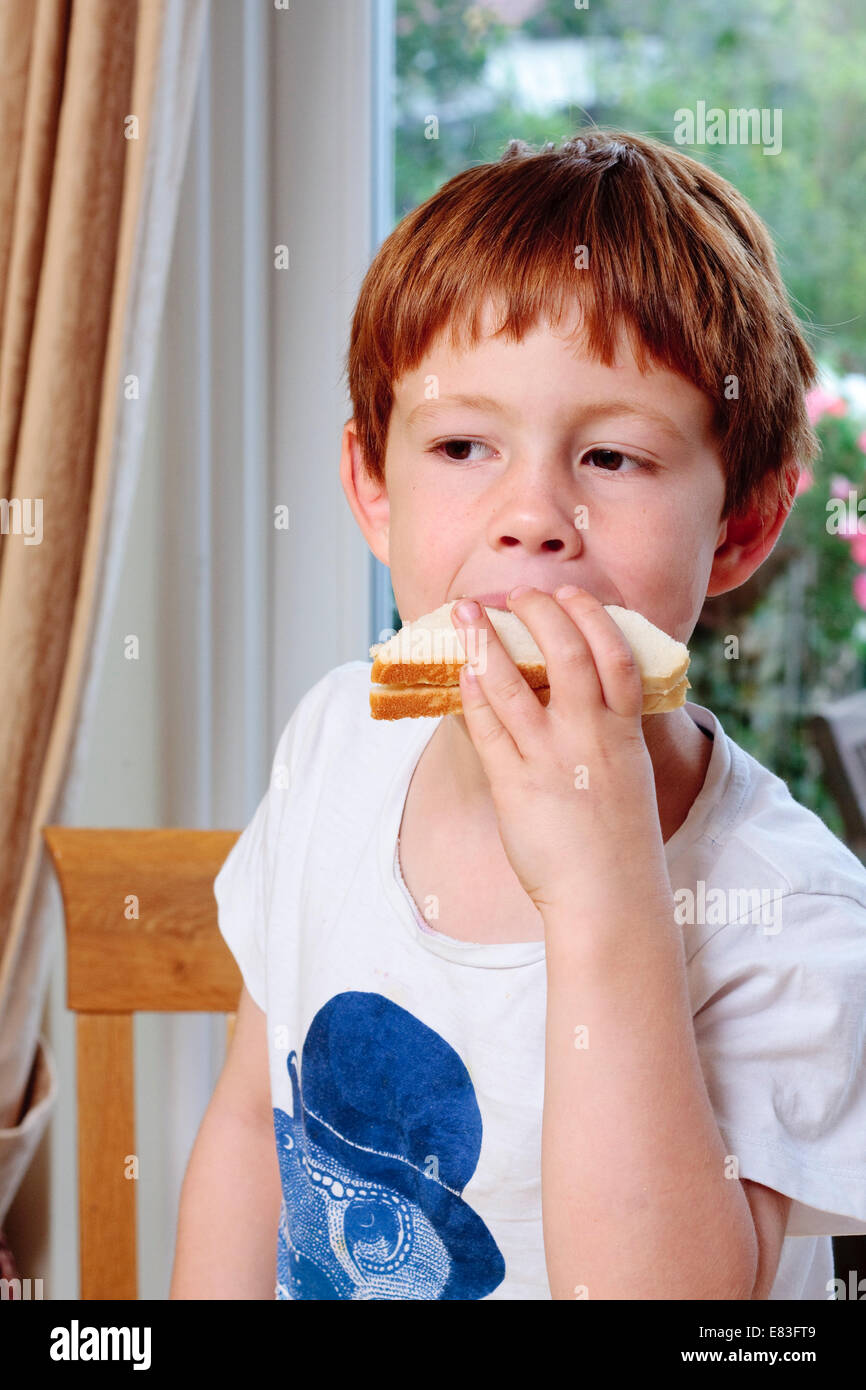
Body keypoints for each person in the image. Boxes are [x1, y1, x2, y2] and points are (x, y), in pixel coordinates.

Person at [170, 129, 866, 1301]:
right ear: (372, 490)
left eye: (609, 454)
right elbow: (252, 1128)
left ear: (741, 525)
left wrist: (603, 888)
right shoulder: (338, 738)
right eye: (459, 445)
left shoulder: (787, 924)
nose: (530, 515)